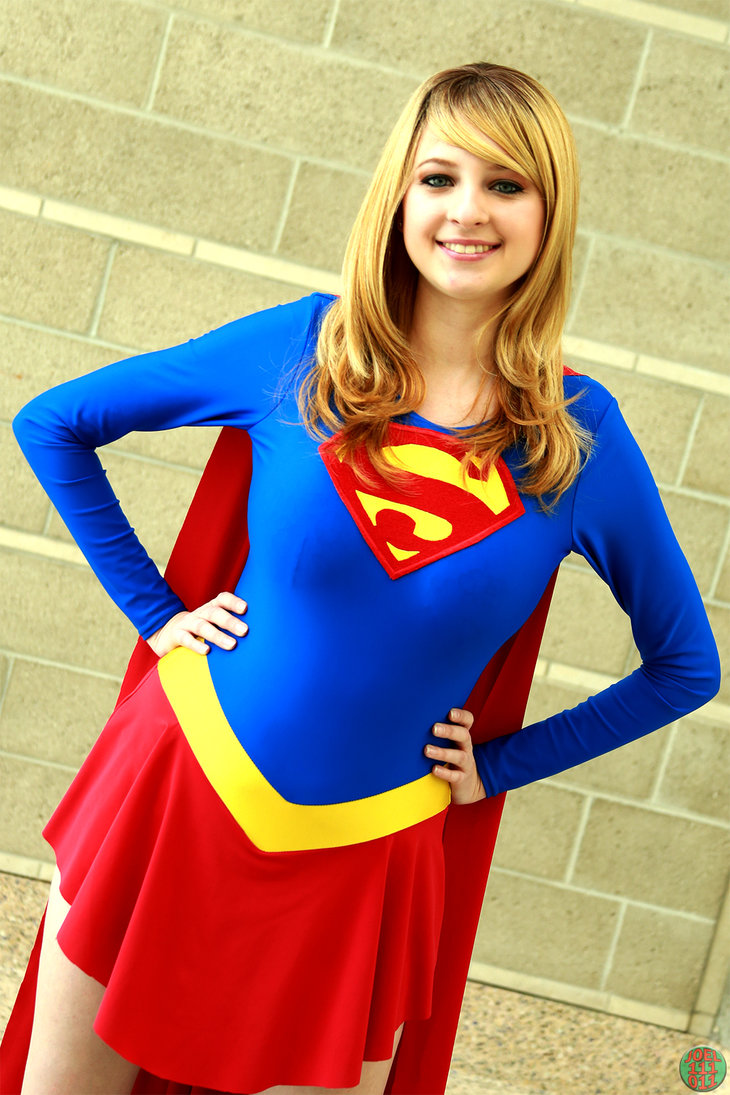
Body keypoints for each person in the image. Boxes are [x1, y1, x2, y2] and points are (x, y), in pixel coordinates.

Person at [1, 61, 720, 1095]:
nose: (467, 211)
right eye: (439, 179)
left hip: (366, 854)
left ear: (548, 213)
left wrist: (501, 766)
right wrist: (156, 613)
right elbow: (55, 423)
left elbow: (685, 668)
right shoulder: (304, 347)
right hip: (175, 791)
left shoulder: (577, 437)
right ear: (399, 196)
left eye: (506, 184)